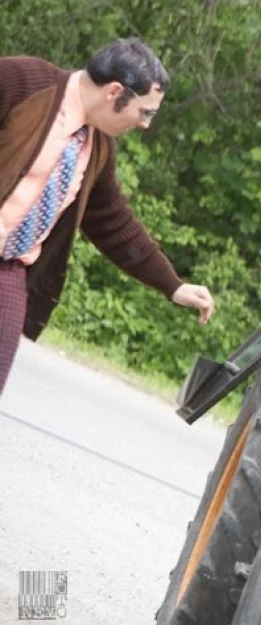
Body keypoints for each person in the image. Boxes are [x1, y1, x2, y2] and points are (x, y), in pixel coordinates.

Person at [0, 38, 215, 395]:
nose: (146, 124)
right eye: (145, 112)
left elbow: (114, 223)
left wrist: (172, 285)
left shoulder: (96, 148)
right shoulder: (23, 81)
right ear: (114, 93)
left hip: (9, 268)